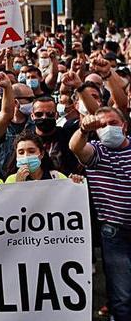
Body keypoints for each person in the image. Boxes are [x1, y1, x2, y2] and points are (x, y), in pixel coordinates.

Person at [69, 107, 131, 320]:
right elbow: (75, 146)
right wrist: (83, 130)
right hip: (115, 232)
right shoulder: (97, 151)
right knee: (121, 293)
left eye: (113, 123)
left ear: (124, 125)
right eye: (102, 125)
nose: (108, 128)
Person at [4, 132, 82, 183]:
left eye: (31, 151)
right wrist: (18, 185)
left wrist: (75, 183)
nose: (26, 156)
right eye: (21, 152)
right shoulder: (11, 180)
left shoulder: (57, 177)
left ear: (41, 154)